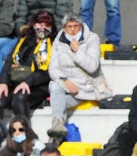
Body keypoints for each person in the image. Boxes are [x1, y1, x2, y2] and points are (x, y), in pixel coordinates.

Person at [46, 14, 112, 142]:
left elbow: (92, 67)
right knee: (54, 86)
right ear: (64, 28)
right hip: (67, 85)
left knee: (58, 102)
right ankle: (57, 126)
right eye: (69, 26)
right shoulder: (59, 41)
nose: (72, 29)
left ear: (81, 26)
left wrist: (77, 51)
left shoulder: (92, 38)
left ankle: (55, 136)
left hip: (87, 88)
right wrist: (65, 81)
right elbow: (53, 68)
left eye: (75, 26)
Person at [0, 10, 56, 122]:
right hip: (16, 81)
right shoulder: (24, 40)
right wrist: (3, 82)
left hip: (38, 86)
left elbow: (49, 71)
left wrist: (28, 81)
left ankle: (24, 134)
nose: (42, 28)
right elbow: (10, 61)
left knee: (20, 96)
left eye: (47, 25)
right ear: (34, 24)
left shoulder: (54, 43)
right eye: (40, 24)